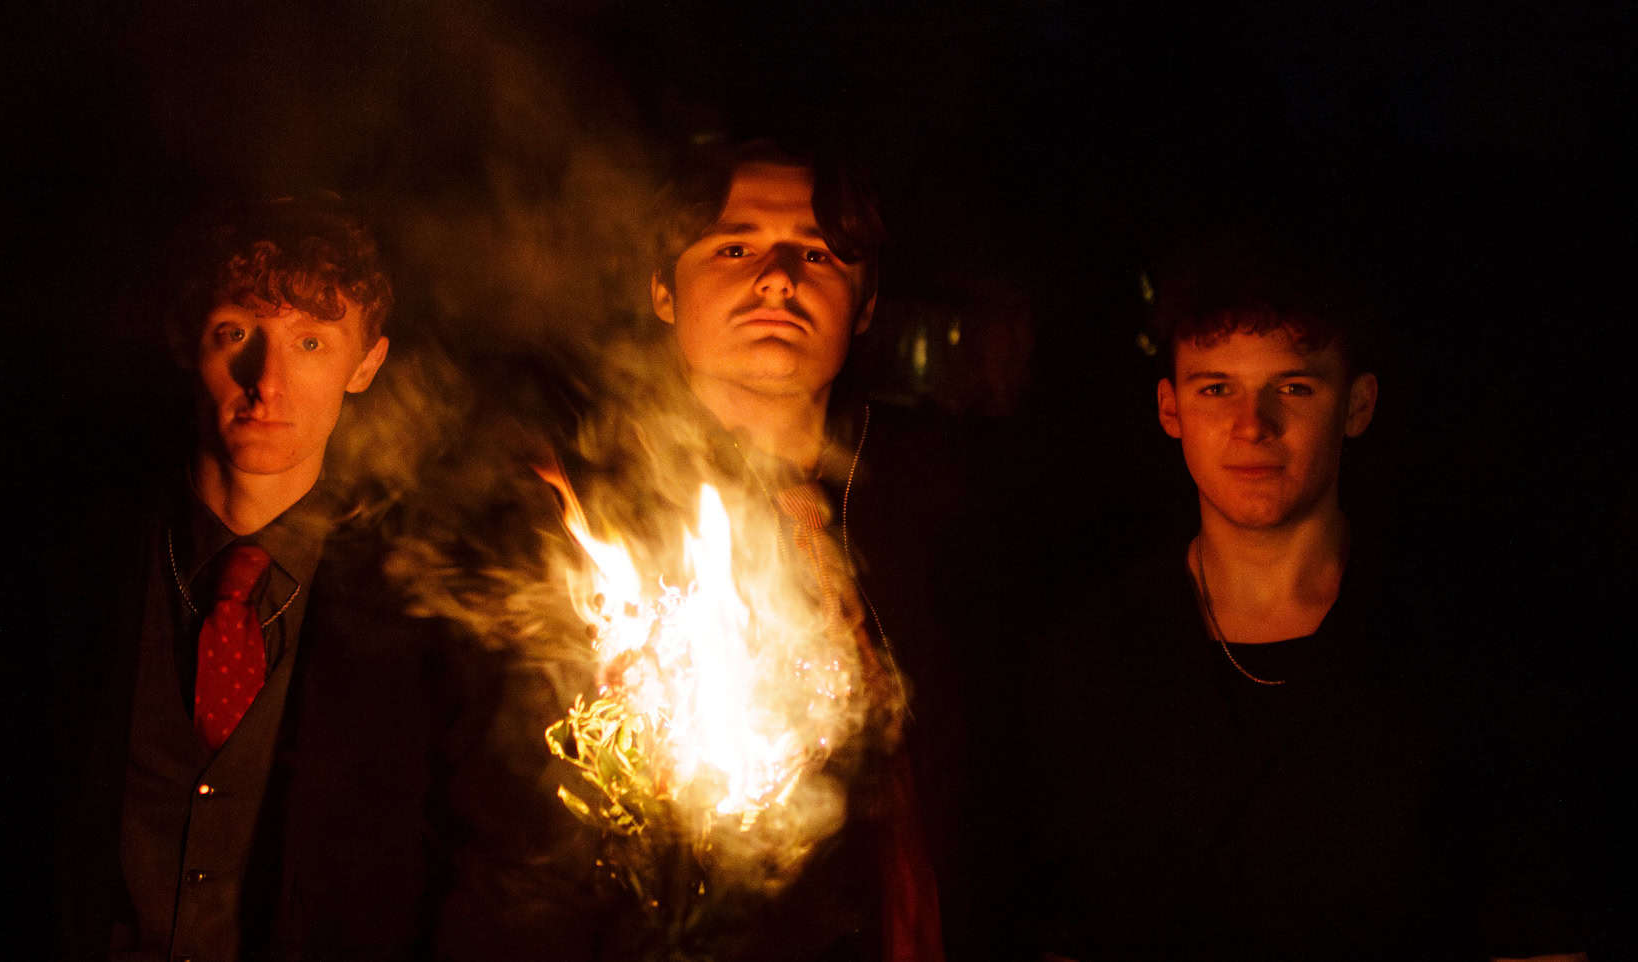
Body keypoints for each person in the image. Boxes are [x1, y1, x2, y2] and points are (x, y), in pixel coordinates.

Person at [1025, 231, 1588, 961]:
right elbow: (1062, 932)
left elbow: (1538, 935)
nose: (1251, 425)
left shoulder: (1468, 651)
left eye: (1293, 386)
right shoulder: (1089, 659)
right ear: (1171, 411)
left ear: (1356, 405)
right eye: (1216, 387)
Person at [51, 195, 496, 961]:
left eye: (312, 343)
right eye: (236, 333)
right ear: (185, 340)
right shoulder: (69, 558)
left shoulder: (423, 610)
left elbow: (469, 867)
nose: (268, 382)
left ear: (367, 364)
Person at [641, 138, 978, 962]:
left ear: (864, 304)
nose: (778, 277)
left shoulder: (953, 509)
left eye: (819, 253)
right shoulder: (584, 516)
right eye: (735, 246)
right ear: (662, 291)